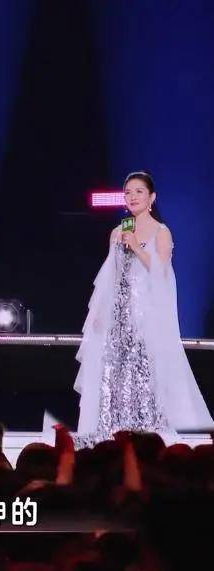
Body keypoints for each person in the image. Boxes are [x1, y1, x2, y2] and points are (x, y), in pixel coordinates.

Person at [74, 171, 213, 448]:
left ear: (152, 197)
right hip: (118, 317)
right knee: (113, 375)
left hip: (147, 318)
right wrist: (101, 312)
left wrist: (137, 247)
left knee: (144, 375)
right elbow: (111, 276)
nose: (132, 197)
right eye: (128, 192)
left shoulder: (161, 232)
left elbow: (162, 274)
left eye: (139, 191)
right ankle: (112, 433)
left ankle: (146, 436)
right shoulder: (118, 232)